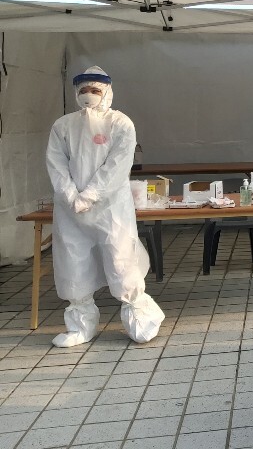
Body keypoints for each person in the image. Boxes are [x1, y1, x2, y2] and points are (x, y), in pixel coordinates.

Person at [45, 66, 165, 348]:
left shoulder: (121, 124)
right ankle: (79, 326)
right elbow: (56, 164)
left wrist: (90, 195)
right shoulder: (63, 126)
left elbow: (117, 166)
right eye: (84, 90)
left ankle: (141, 320)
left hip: (111, 208)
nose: (89, 95)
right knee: (73, 263)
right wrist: (71, 196)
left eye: (95, 90)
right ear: (76, 93)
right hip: (71, 210)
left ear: (107, 92)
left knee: (120, 260)